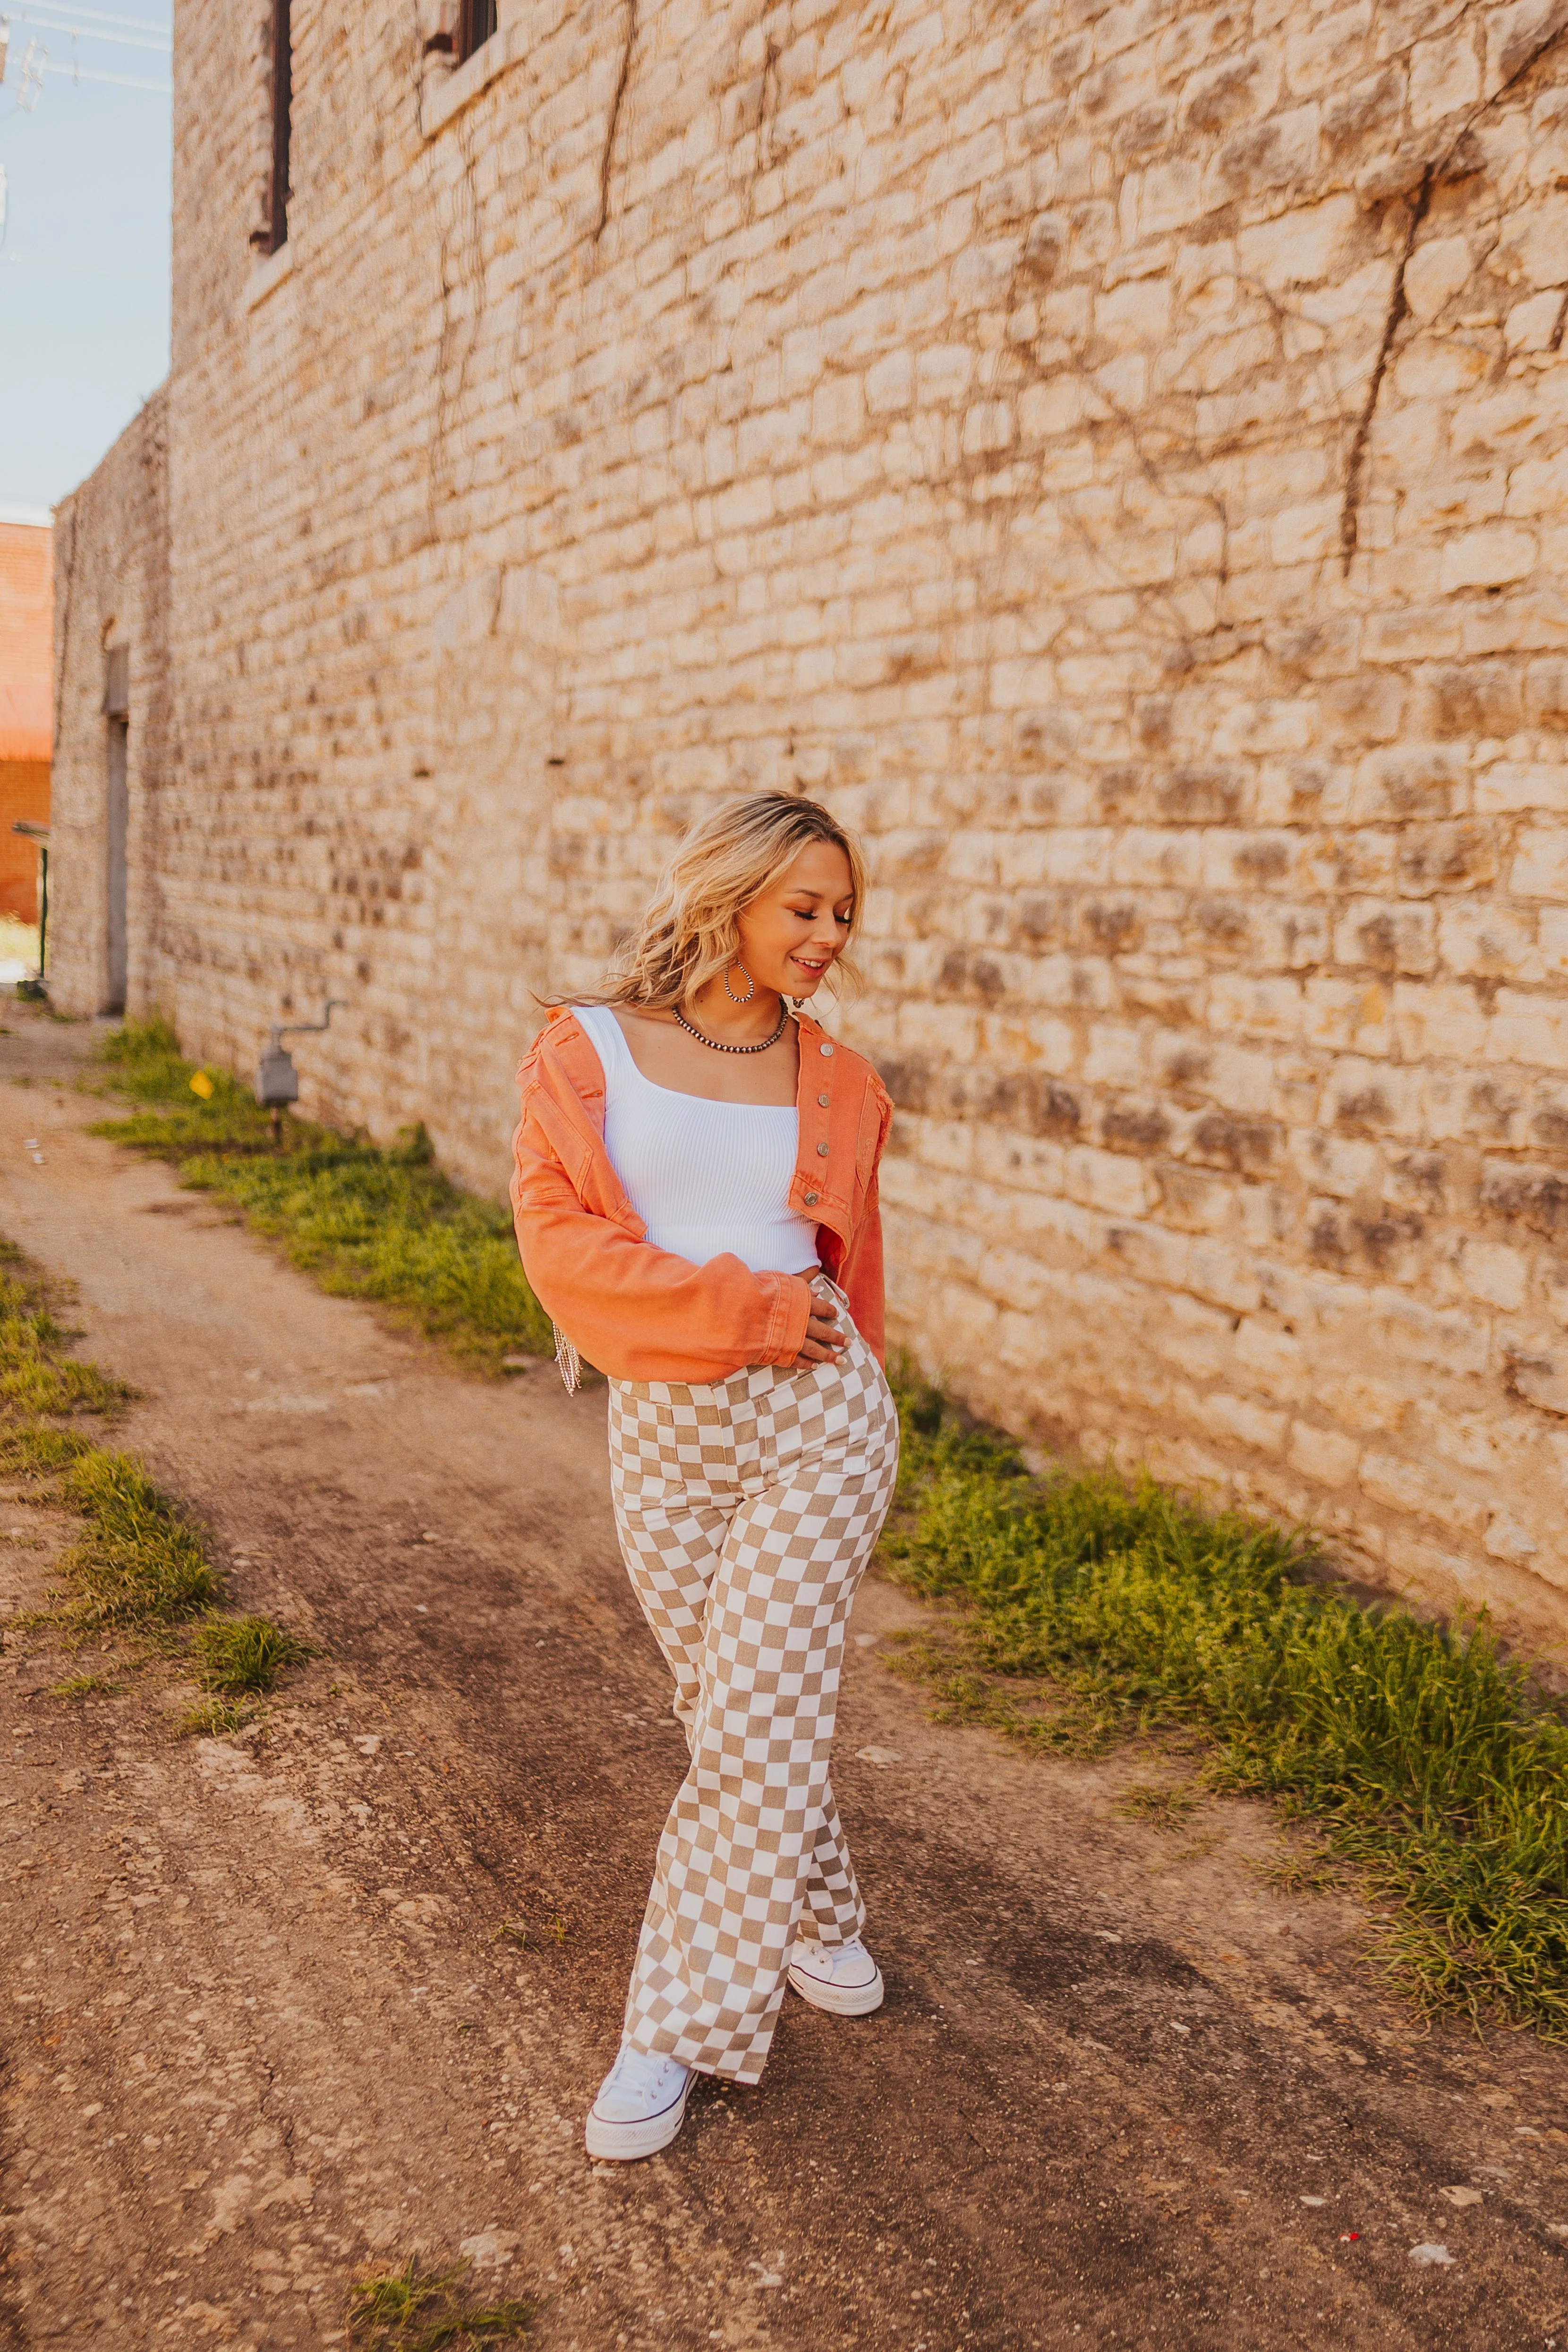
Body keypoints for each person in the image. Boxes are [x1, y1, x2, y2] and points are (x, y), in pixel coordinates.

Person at [510, 791, 900, 2163]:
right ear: (728, 894)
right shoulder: (590, 1048)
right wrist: (744, 1313)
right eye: (807, 906)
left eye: (846, 911)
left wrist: (809, 1342)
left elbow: (854, 1280)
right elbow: (561, 1254)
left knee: (750, 1722)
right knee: (731, 1701)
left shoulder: (843, 1080)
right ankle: (821, 1911)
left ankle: (668, 2032)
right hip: (667, 1423)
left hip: (819, 1418)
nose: (831, 934)